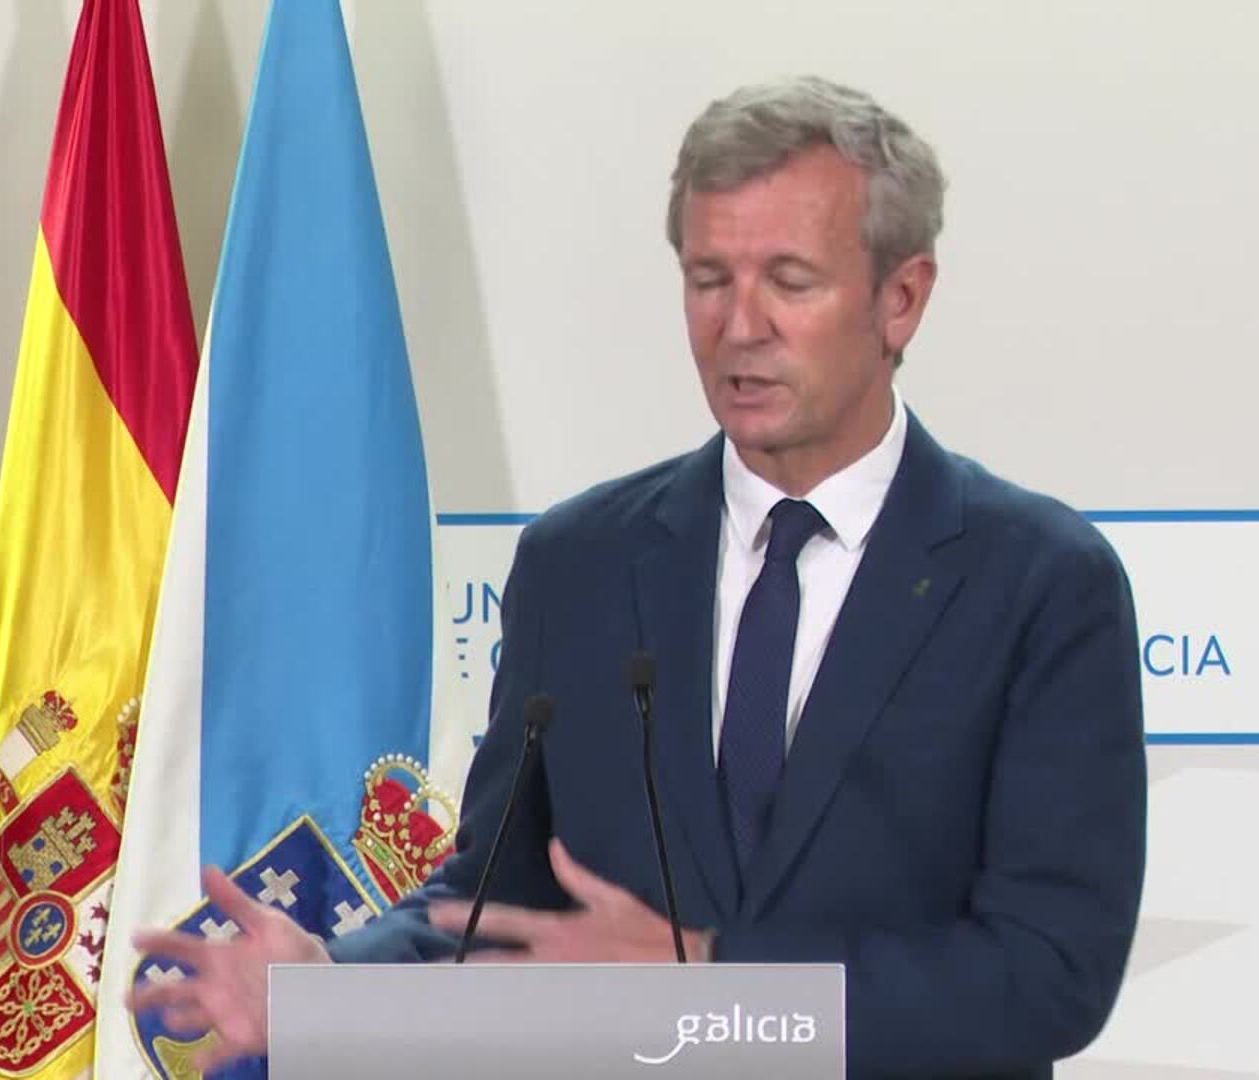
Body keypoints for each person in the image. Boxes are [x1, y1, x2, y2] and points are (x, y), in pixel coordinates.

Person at [129, 75, 1146, 1078]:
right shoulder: (581, 563)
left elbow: (1048, 975)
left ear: (901, 300)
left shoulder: (1038, 583)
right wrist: (335, 988)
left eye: (790, 281)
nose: (739, 325)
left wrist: (712, 980)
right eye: (709, 279)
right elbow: (498, 900)